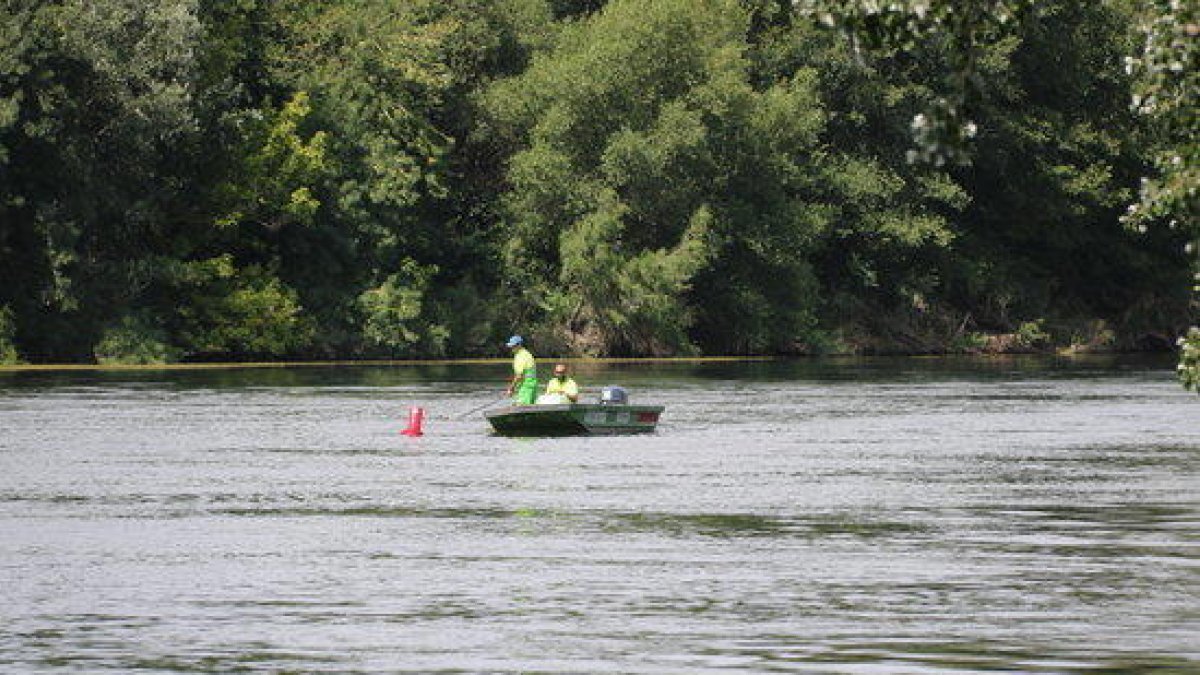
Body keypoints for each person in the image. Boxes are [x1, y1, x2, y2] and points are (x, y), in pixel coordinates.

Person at [505, 335, 538, 405]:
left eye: (513, 346)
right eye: (511, 346)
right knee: (530, 408)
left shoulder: (521, 356)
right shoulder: (527, 354)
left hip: (526, 387)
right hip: (532, 386)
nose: (511, 348)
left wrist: (511, 388)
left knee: (521, 407)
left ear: (519, 345)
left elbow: (519, 376)